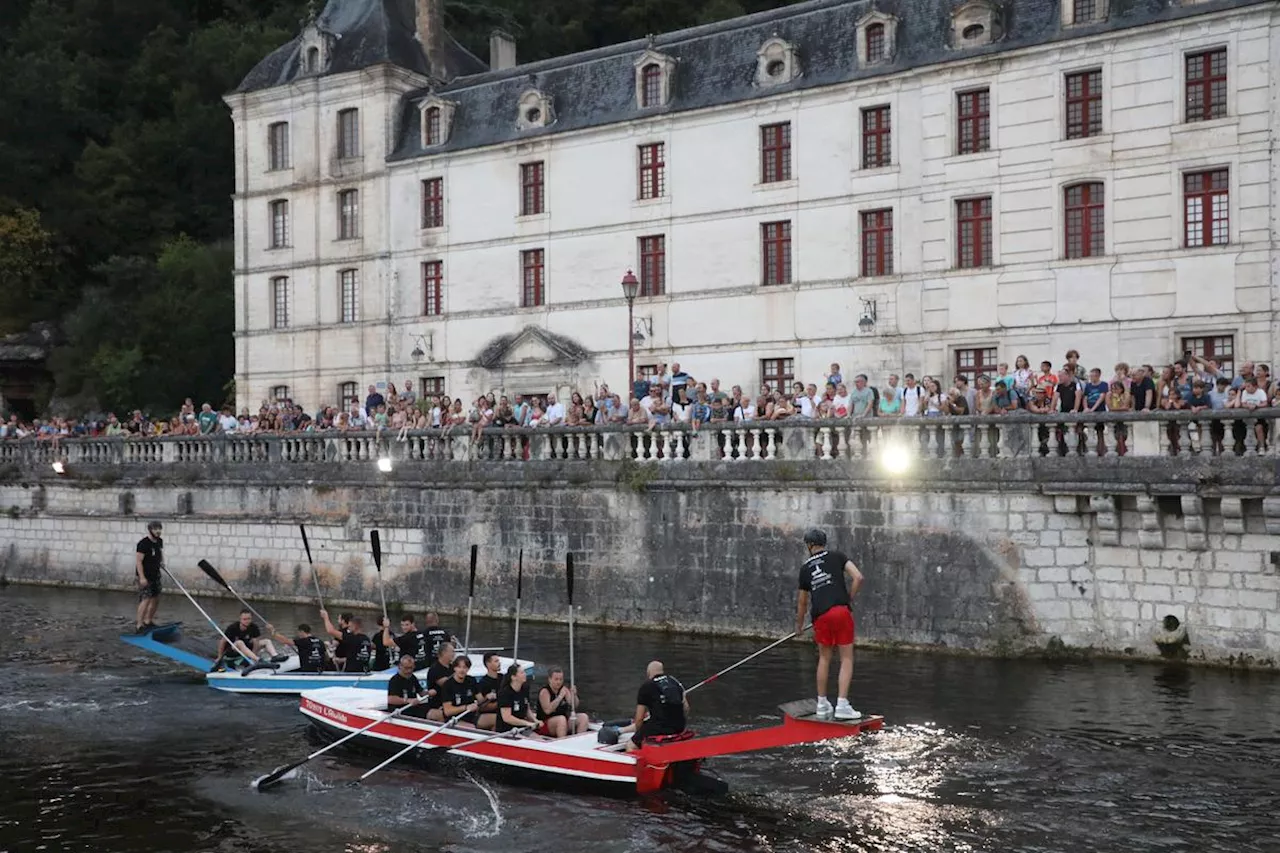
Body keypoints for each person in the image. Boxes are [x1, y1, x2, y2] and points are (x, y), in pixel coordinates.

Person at [795, 529, 863, 721]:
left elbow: (802, 602)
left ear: (809, 545)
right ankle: (842, 705)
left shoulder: (805, 567)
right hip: (841, 612)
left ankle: (822, 705)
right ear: (824, 543)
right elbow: (858, 577)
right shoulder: (837, 556)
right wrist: (848, 598)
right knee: (846, 659)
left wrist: (799, 626)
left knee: (824, 658)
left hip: (821, 616)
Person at [622, 661, 689, 753]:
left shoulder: (646, 686)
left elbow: (639, 718)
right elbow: (686, 708)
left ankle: (644, 764)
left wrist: (638, 735)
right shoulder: (674, 681)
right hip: (680, 727)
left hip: (659, 728)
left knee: (631, 745)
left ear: (648, 673)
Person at [435, 655, 494, 729]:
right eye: (459, 667)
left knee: (496, 719)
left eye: (465, 667)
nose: (462, 670)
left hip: (472, 716)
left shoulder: (471, 680)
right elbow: (447, 711)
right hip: (455, 719)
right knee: (471, 728)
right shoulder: (448, 685)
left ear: (468, 669)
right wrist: (466, 708)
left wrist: (487, 698)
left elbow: (481, 703)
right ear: (454, 668)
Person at [217, 609, 287, 668]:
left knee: (266, 641)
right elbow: (222, 642)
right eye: (244, 619)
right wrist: (219, 657)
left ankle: (274, 656)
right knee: (240, 642)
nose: (247, 621)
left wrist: (253, 654)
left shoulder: (254, 627)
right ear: (240, 619)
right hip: (233, 650)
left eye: (249, 619)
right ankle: (259, 660)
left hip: (247, 648)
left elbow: (256, 642)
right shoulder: (232, 627)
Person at [537, 666, 590, 737]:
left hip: (563, 721)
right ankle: (562, 742)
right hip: (546, 723)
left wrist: (574, 695)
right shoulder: (544, 692)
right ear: (550, 679)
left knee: (583, 717)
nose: (559, 682)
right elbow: (547, 710)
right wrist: (559, 697)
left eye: (561, 679)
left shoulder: (564, 689)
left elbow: (574, 705)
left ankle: (578, 739)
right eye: (556, 679)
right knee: (561, 719)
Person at [134, 521, 164, 633]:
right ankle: (139, 625)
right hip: (145, 576)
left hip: (155, 574)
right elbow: (138, 561)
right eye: (156, 529)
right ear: (150, 530)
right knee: (145, 599)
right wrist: (142, 577)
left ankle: (148, 621)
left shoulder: (159, 541)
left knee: (155, 599)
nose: (158, 531)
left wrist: (162, 562)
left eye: (159, 529)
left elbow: (160, 552)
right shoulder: (143, 544)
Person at [495, 663, 540, 733]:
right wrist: (526, 723)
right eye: (522, 673)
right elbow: (507, 718)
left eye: (524, 672)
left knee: (539, 739)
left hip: (521, 728)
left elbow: (527, 709)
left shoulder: (525, 688)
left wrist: (535, 720)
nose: (525, 674)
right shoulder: (505, 693)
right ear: (513, 677)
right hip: (507, 731)